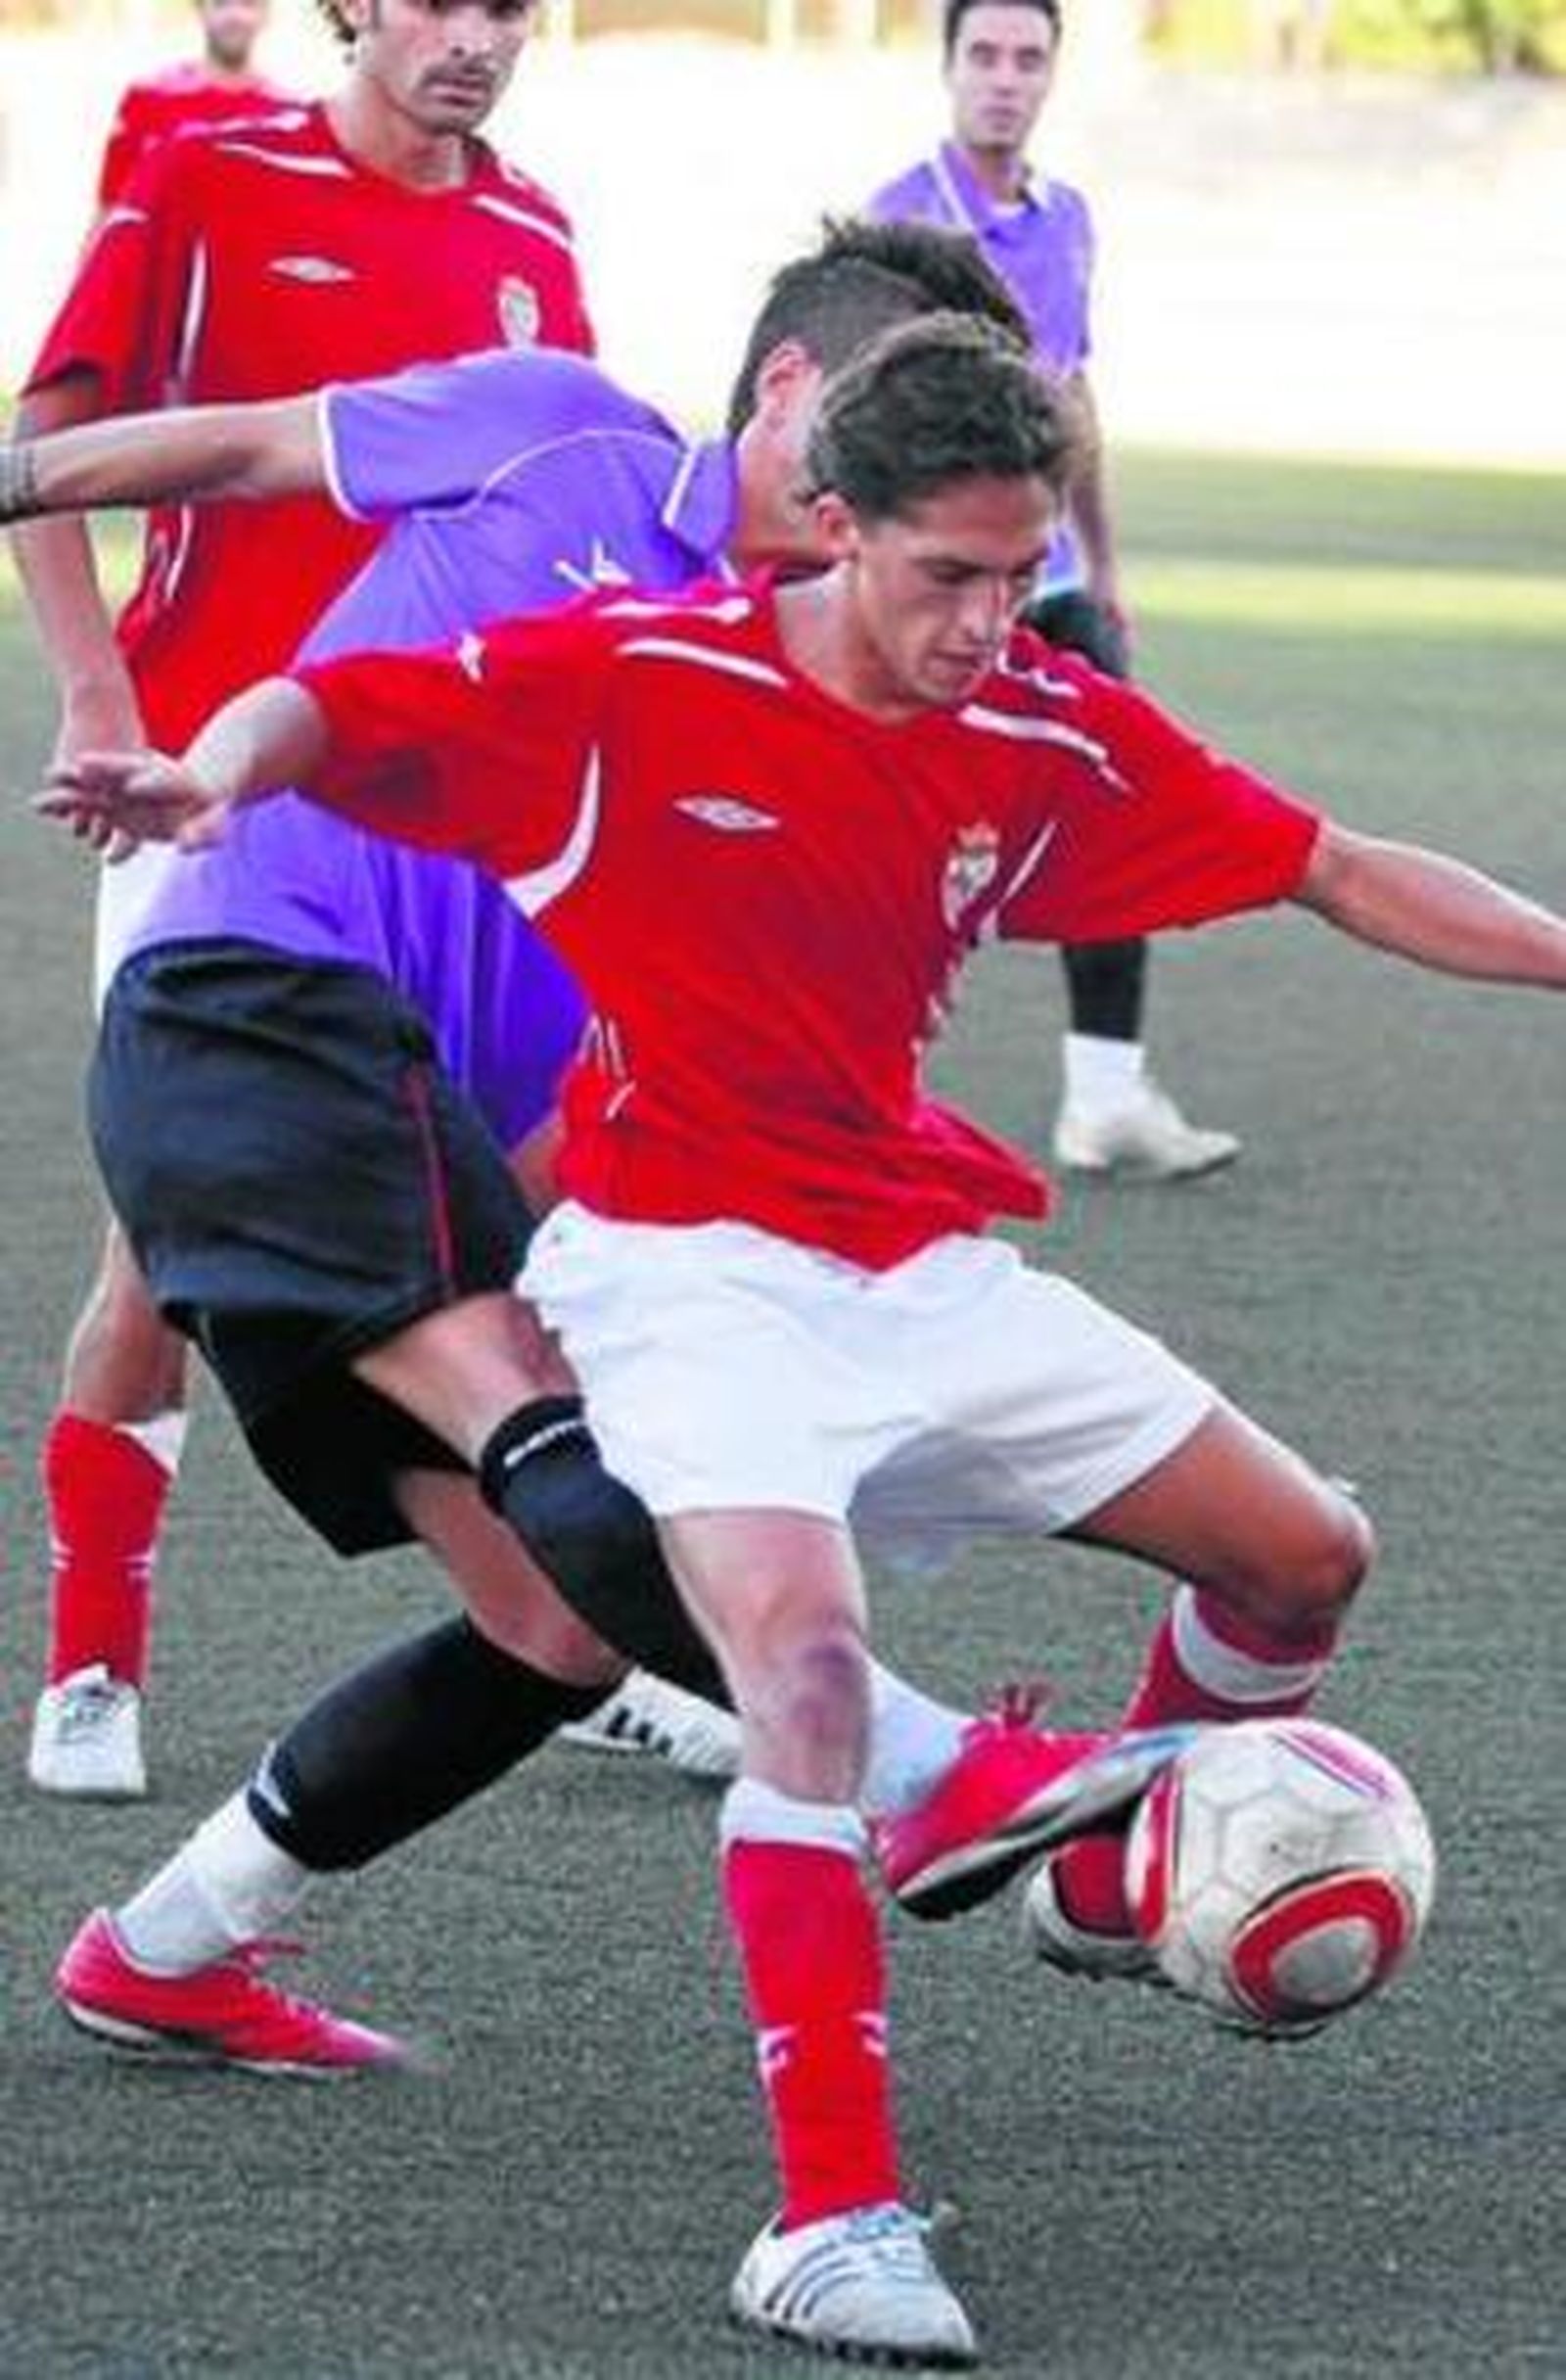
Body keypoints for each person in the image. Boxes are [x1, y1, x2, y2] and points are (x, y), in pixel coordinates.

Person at [47, 316, 1566, 2366]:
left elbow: (1334, 867)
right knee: (803, 1670)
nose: (983, 619)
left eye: (1017, 571)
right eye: (945, 572)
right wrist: (193, 776)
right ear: (830, 529)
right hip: (681, 1273)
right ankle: (829, 2218)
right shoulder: (633, 683)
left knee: (1302, 1550)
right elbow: (321, 705)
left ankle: (1107, 1866)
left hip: (914, 1264)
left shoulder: (1038, 720)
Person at [10, 226, 1175, 2086]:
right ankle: (931, 1773)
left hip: (408, 1136)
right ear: (792, 396)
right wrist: (20, 484)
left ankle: (163, 1949)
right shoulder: (561, 433)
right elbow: (232, 453)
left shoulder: (787, 692)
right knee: (545, 1443)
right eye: (889, 480)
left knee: (551, 1612)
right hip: (261, 1003)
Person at [12, 0, 593, 1799]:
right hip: (215, 806)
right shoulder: (208, 174)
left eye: (508, 6)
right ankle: (94, 1658)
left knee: (526, 1201)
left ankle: (584, 1605)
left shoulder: (535, 238)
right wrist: (101, 688)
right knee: (163, 1253)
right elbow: (57, 418)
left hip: (439, 811)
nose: (473, 37)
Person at [866, 0, 1238, 1181]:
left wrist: (1106, 566)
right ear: (944, 70)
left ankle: (1106, 1097)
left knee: (1116, 802)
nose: (1005, 80)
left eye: (1029, 58)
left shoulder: (1067, 218)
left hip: (1057, 580)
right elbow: (858, 420)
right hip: (932, 585)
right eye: (983, 55)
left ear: (1052, 75)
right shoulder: (896, 219)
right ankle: (850, 1093)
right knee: (878, 833)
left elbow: (1071, 402)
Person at [95, 0, 290, 212]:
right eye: (221, 3)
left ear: (266, 14)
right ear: (200, 9)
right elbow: (110, 207)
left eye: (248, 3)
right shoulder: (149, 97)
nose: (235, 16)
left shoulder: (286, 114)